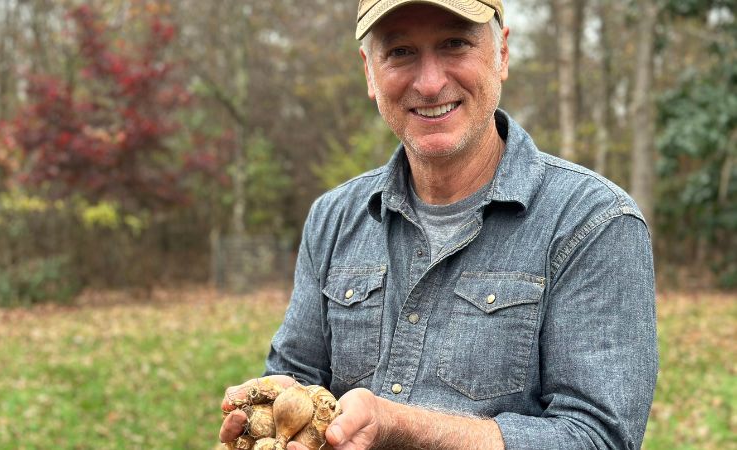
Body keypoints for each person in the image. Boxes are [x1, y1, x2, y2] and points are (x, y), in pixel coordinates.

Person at [220, 0, 658, 448]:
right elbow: (295, 379)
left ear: (501, 54)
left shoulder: (594, 222)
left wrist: (401, 428)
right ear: (370, 72)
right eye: (400, 52)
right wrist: (266, 412)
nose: (429, 84)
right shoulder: (334, 218)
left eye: (454, 44)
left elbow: (599, 437)